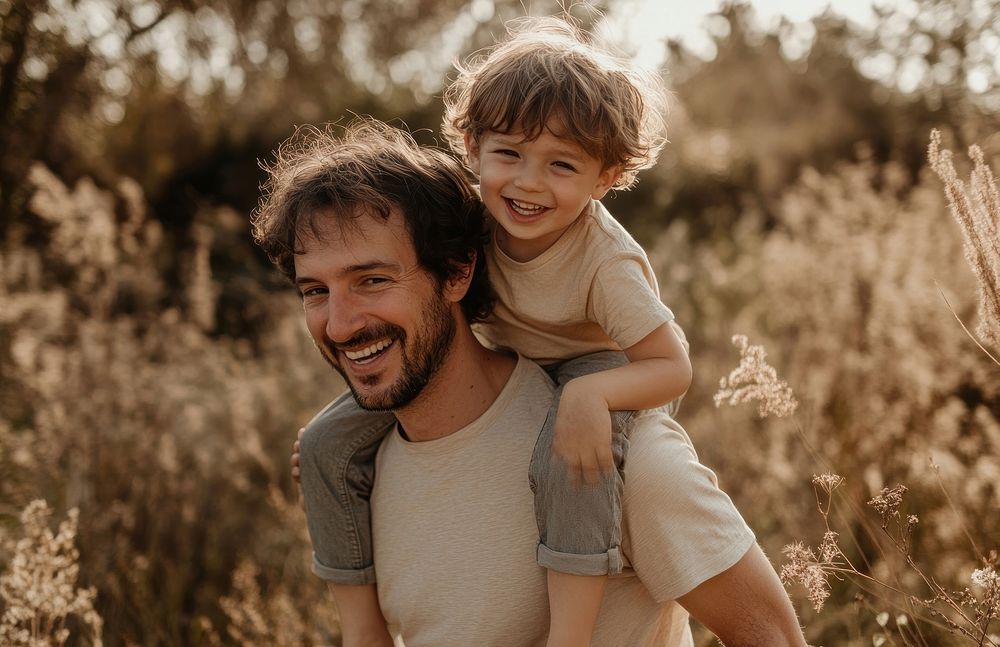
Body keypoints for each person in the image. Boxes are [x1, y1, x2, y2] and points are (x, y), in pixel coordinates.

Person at [253, 117, 806, 646]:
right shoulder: (356, 468)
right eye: (315, 291)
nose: (341, 323)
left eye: (372, 280)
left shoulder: (617, 457)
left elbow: (771, 637)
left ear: (458, 273)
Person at [278, 17, 695, 646]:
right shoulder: (473, 217)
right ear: (472, 147)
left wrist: (590, 398)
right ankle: (362, 633)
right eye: (509, 155)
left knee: (570, 457)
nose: (528, 183)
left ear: (605, 178)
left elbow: (673, 366)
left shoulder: (606, 261)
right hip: (515, 358)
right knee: (323, 444)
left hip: (601, 370)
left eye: (561, 164)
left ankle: (570, 635)